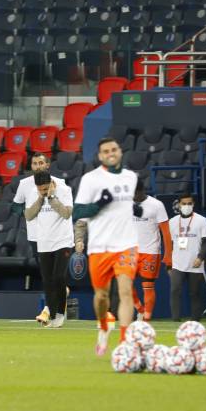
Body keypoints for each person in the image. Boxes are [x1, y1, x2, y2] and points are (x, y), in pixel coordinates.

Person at [73, 137, 140, 355]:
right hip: (100, 246)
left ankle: (124, 343)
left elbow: (130, 206)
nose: (111, 153)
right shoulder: (91, 179)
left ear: (120, 151)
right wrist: (99, 204)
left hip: (126, 244)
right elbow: (78, 213)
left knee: (125, 291)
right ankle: (103, 329)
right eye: (105, 151)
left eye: (114, 149)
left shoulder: (131, 177)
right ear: (100, 156)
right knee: (102, 296)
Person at [10, 152, 67, 325]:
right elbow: (15, 206)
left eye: (41, 163)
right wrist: (29, 215)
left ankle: (49, 311)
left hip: (56, 236)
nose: (38, 166)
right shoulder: (24, 184)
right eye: (34, 163)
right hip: (35, 236)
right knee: (47, 276)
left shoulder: (60, 184)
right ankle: (55, 304)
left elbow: (67, 210)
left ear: (47, 165)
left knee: (54, 276)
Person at [24, 171, 73, 328]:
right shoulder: (34, 193)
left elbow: (66, 214)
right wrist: (40, 198)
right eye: (41, 190)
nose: (43, 192)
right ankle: (52, 316)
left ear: (51, 183)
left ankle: (60, 314)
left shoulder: (64, 190)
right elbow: (28, 216)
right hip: (44, 242)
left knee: (59, 277)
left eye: (46, 189)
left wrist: (51, 198)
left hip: (62, 240)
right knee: (47, 281)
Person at [131, 180, 171, 321]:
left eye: (134, 193)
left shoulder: (156, 205)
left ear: (141, 191)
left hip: (150, 251)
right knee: (125, 284)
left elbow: (166, 232)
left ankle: (146, 320)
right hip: (131, 251)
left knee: (147, 285)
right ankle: (140, 310)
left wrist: (168, 255)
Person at [166, 193, 206, 322]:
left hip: (195, 262)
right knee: (175, 290)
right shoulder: (173, 222)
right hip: (177, 262)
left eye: (189, 204)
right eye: (184, 204)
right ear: (179, 205)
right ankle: (175, 320)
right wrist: (168, 264)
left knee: (195, 293)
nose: (187, 206)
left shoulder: (201, 220)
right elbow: (169, 245)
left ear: (193, 204)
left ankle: (196, 321)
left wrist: (201, 257)